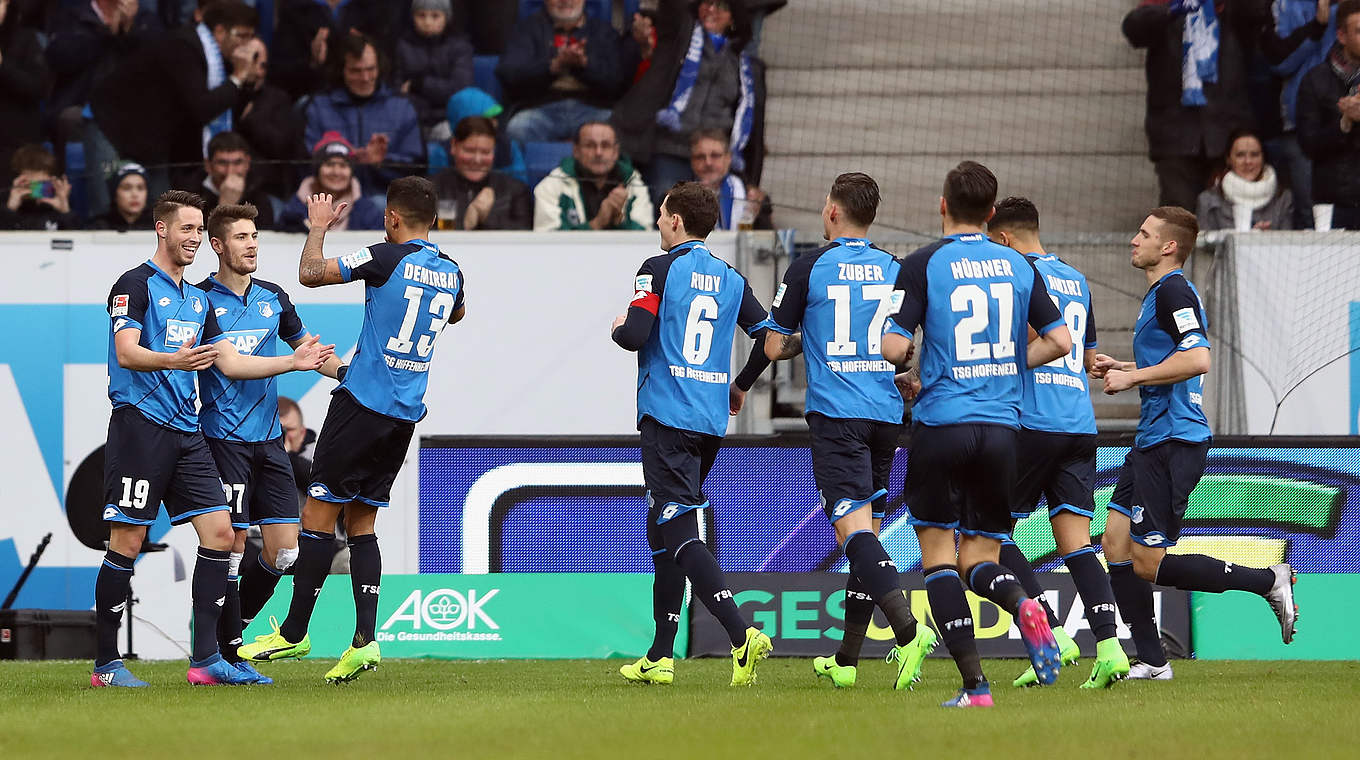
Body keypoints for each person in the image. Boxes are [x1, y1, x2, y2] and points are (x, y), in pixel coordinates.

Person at [92, 189, 332, 688]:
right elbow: (127, 352)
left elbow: (229, 362)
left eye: (199, 230)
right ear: (161, 229)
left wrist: (303, 363)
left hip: (188, 433)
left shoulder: (199, 299)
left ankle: (208, 659)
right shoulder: (133, 284)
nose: (195, 239)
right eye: (187, 229)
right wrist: (175, 360)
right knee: (128, 542)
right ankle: (107, 664)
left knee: (223, 536)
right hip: (141, 428)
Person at [239, 177, 465, 684]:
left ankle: (294, 632)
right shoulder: (451, 271)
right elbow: (456, 313)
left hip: (361, 406)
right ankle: (365, 640)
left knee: (318, 515)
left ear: (391, 218)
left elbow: (310, 274)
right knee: (362, 524)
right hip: (403, 415)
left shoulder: (384, 256)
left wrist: (318, 228)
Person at [879, 161, 1072, 708]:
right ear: (991, 215)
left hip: (942, 426)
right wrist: (1009, 366)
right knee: (980, 560)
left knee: (940, 559)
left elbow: (894, 346)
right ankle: (1023, 603)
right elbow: (1058, 341)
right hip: (1002, 432)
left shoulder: (923, 263)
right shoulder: (1017, 265)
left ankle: (975, 688)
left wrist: (912, 365)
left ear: (942, 205)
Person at [1093, 206, 1298, 679]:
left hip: (1174, 440)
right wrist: (1124, 367)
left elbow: (1199, 358)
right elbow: (1173, 359)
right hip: (1152, 437)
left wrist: (1134, 378)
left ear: (1168, 246)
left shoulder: (1174, 291)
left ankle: (1268, 580)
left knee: (1146, 562)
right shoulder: (1159, 295)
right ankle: (1152, 659)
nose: (1134, 240)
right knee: (1115, 541)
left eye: (1144, 234)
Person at [761, 173, 936, 690]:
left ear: (832, 211)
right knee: (871, 536)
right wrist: (908, 374)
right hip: (885, 415)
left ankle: (908, 632)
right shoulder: (896, 270)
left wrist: (806, 342)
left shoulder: (809, 266)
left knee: (854, 535)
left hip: (838, 417)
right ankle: (847, 659)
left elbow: (773, 347)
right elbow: (905, 347)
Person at [611, 181, 773, 686]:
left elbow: (635, 335)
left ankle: (741, 634)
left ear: (676, 220)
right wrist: (739, 385)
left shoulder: (656, 269)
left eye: (661, 215)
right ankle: (661, 655)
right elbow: (771, 340)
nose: (658, 223)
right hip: (707, 422)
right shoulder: (731, 277)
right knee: (661, 529)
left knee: (677, 529)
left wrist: (618, 326)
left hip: (668, 416)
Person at [985, 197, 1131, 690]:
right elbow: (1088, 355)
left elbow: (1034, 337)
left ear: (1004, 238)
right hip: (1077, 423)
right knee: (1076, 543)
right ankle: (1110, 647)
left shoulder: (1015, 272)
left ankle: (1053, 634)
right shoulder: (1076, 277)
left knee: (986, 531)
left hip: (1031, 421)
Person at [194, 202, 344, 683]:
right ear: (217, 246)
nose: (252, 244)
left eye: (255, 235)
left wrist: (355, 377)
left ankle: (228, 633)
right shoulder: (200, 301)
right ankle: (226, 654)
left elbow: (310, 354)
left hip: (270, 443)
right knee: (231, 546)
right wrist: (293, 364)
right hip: (225, 441)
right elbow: (232, 365)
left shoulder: (273, 297)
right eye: (241, 237)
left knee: (283, 553)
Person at [89, 1, 264, 202]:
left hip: (152, 143)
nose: (246, 45)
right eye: (242, 36)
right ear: (220, 32)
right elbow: (202, 109)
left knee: (163, 209)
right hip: (109, 124)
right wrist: (238, 77)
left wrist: (246, 81)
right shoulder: (184, 46)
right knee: (104, 205)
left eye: (251, 37)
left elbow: (227, 104)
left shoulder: (221, 56)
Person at [612, 0, 766, 208]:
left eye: (720, 6)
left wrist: (751, 182)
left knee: (718, 215)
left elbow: (755, 132)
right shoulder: (678, 41)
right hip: (671, 149)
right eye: (706, 3)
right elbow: (672, 8)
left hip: (716, 157)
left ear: (732, 17)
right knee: (668, 209)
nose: (711, 9)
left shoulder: (748, 67)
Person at [1123, 0, 1262, 210]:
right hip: (1176, 138)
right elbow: (1134, 28)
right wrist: (1171, 9)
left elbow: (1259, 12)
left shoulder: (1233, 13)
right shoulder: (1169, 7)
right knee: (1179, 216)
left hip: (1228, 137)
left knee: (1226, 216)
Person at [302, 32, 424, 192]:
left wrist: (380, 162)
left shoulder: (401, 107)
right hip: (331, 198)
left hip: (386, 196)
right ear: (342, 70)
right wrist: (342, 158)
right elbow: (304, 162)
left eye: (370, 69)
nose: (365, 78)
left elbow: (416, 165)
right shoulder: (319, 106)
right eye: (356, 71)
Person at [495, 0, 629, 143]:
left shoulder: (604, 32)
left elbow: (617, 83)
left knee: (620, 131)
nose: (565, 1)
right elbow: (509, 75)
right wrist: (552, 68)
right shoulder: (526, 29)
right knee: (517, 129)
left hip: (593, 108)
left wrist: (584, 66)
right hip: (540, 108)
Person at [1261, 0, 1339, 229]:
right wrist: (1317, 26)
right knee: (1309, 212)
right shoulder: (1285, 5)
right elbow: (1279, 61)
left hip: (1349, 123)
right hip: (1301, 124)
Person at [1297, 0, 1360, 229]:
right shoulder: (1315, 80)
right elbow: (1308, 144)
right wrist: (1344, 123)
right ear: (1341, 36)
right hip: (1334, 202)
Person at [533, 120, 653, 231]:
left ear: (615, 152)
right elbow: (548, 243)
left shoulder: (634, 184)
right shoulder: (551, 186)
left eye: (605, 145)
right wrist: (597, 224)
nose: (598, 152)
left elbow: (644, 237)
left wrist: (619, 221)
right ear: (576, 151)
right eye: (590, 145)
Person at [269, 0, 394, 101]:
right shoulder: (294, 10)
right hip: (315, 98)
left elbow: (390, 63)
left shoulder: (375, 7)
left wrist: (369, 52)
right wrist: (313, 63)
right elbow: (280, 75)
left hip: (370, 101)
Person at [431, 116, 532, 230]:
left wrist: (486, 217)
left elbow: (524, 236)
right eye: (469, 150)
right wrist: (465, 224)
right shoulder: (430, 190)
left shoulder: (516, 191)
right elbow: (418, 235)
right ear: (454, 145)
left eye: (485, 152)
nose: (477, 160)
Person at [394, 0, 474, 141]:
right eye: (421, 15)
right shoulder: (402, 46)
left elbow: (459, 90)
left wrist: (419, 85)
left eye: (435, 16)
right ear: (412, 17)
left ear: (447, 17)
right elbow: (396, 90)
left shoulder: (460, 47)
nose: (428, 22)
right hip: (413, 118)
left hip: (447, 119)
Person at [277, 132, 385, 233]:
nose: (336, 172)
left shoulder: (366, 209)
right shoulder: (295, 208)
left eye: (343, 166)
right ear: (317, 170)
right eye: (329, 165)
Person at [1196, 129, 1295, 231]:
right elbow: (1204, 246)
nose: (1248, 161)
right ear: (1228, 159)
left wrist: (1268, 238)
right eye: (1240, 155)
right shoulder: (1207, 201)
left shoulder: (1283, 199)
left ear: (1263, 158)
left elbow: (1288, 244)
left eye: (1254, 154)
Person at [0, 0, 49, 189]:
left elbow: (38, 88)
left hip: (21, 145)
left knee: (37, 197)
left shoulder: (26, 39)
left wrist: (3, 66)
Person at [189, 132, 277, 229]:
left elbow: (265, 238)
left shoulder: (258, 195)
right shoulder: (191, 197)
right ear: (208, 165)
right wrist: (225, 206)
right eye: (222, 163)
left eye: (237, 162)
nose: (230, 171)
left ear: (247, 163)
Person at [689, 128, 771, 230]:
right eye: (700, 157)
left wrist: (753, 215)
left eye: (715, 156)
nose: (708, 162)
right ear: (692, 162)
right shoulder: (676, 199)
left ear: (728, 158)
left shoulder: (751, 196)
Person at [446, 86, 527, 184]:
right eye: (469, 150)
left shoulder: (508, 147)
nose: (494, 123)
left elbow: (520, 186)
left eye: (495, 117)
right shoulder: (442, 153)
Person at [1, 145, 77, 231]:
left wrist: (65, 211)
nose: (37, 190)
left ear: (53, 182)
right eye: (31, 185)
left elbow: (82, 241)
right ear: (18, 182)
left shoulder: (59, 207)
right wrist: (10, 209)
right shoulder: (6, 204)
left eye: (43, 184)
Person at [88, 162, 154, 231]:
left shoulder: (159, 226)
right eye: (127, 188)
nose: (135, 194)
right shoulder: (99, 227)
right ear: (115, 194)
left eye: (140, 188)